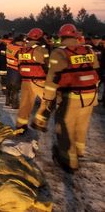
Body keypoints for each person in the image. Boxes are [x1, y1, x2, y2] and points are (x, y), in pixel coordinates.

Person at [43, 24, 99, 172]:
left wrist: (48, 98)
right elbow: (96, 68)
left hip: (72, 96)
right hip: (91, 95)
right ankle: (79, 150)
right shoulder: (88, 49)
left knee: (65, 127)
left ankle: (69, 160)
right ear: (75, 36)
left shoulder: (59, 53)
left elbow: (52, 77)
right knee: (82, 123)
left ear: (61, 36)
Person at [16, 28, 49, 132]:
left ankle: (20, 126)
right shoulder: (41, 50)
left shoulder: (21, 50)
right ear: (39, 37)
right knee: (49, 101)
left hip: (25, 80)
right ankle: (38, 122)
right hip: (39, 80)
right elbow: (48, 65)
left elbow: (19, 64)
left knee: (25, 104)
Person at [5, 34, 24, 109]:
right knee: (15, 88)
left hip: (9, 68)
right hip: (16, 70)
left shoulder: (9, 46)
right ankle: (15, 104)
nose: (23, 43)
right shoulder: (19, 49)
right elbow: (23, 59)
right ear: (19, 42)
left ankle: (7, 101)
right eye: (22, 42)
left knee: (9, 86)